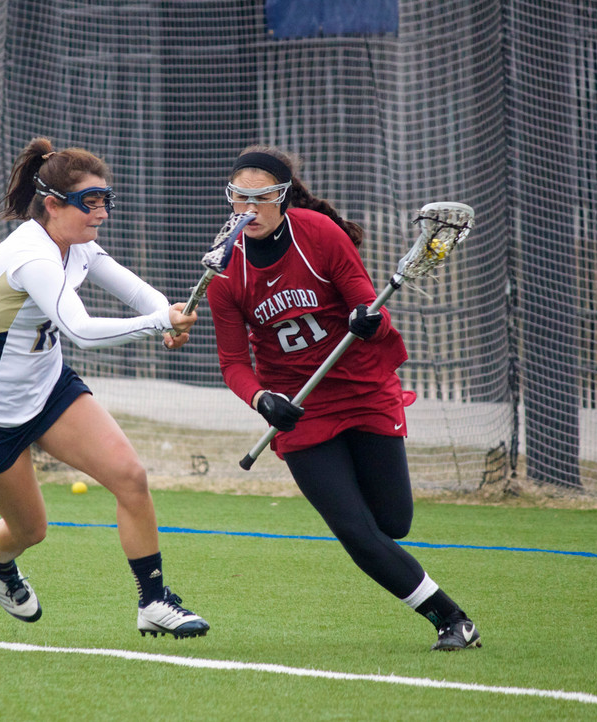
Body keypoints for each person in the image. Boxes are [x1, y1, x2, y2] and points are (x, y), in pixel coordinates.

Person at [205, 145, 480, 651]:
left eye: (261, 198)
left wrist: (365, 319)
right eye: (238, 198)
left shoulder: (319, 234)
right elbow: (233, 363)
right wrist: (262, 398)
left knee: (392, 524)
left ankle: (407, 572)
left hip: (361, 386)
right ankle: (451, 619)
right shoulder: (225, 270)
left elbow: (369, 309)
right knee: (355, 530)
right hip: (300, 406)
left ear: (283, 198)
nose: (248, 210)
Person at [0, 137, 209, 639]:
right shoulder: (32, 257)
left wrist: (169, 311)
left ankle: (153, 602)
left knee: (130, 476)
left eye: (106, 199)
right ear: (52, 204)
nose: (102, 212)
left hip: (48, 390)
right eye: (90, 202)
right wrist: (158, 323)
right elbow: (81, 330)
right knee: (30, 531)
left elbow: (131, 288)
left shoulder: (78, 244)